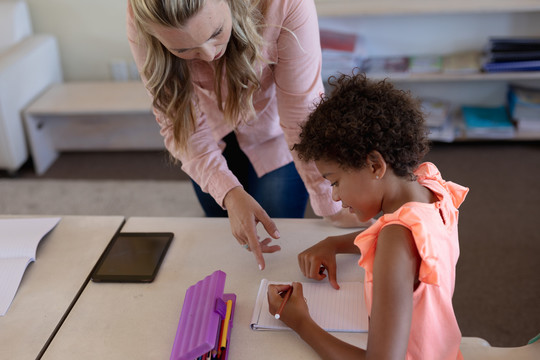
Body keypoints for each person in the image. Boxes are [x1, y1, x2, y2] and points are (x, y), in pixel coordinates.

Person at [126, 0, 369, 271]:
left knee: (281, 240)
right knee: (227, 243)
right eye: (184, 49)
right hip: (208, 135)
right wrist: (228, 193)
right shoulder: (143, 12)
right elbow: (179, 123)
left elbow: (301, 115)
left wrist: (330, 200)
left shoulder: (285, 4)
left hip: (275, 133)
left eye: (216, 33)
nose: (208, 55)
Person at [267, 72, 468, 359]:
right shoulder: (430, 186)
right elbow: (410, 233)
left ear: (375, 165)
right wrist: (334, 243)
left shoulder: (395, 240)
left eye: (335, 181)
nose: (335, 196)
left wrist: (299, 321)